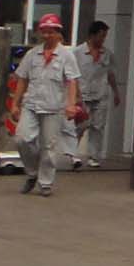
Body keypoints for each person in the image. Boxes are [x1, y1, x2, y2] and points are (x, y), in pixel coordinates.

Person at [13, 14, 82, 198]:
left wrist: (71, 104)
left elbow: (72, 81)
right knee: (22, 139)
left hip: (53, 108)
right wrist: (15, 104)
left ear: (58, 33)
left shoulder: (66, 55)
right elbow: (22, 79)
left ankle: (45, 182)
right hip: (31, 104)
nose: (46, 36)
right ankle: (32, 172)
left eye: (50, 32)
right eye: (43, 32)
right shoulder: (32, 54)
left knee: (49, 147)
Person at [67, 20, 117, 171]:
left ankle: (94, 157)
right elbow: (71, 76)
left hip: (101, 94)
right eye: (101, 36)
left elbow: (110, 74)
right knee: (81, 125)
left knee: (98, 126)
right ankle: (73, 154)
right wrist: (74, 96)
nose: (103, 39)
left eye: (105, 36)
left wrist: (116, 92)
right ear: (92, 35)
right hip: (82, 95)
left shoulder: (107, 54)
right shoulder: (77, 53)